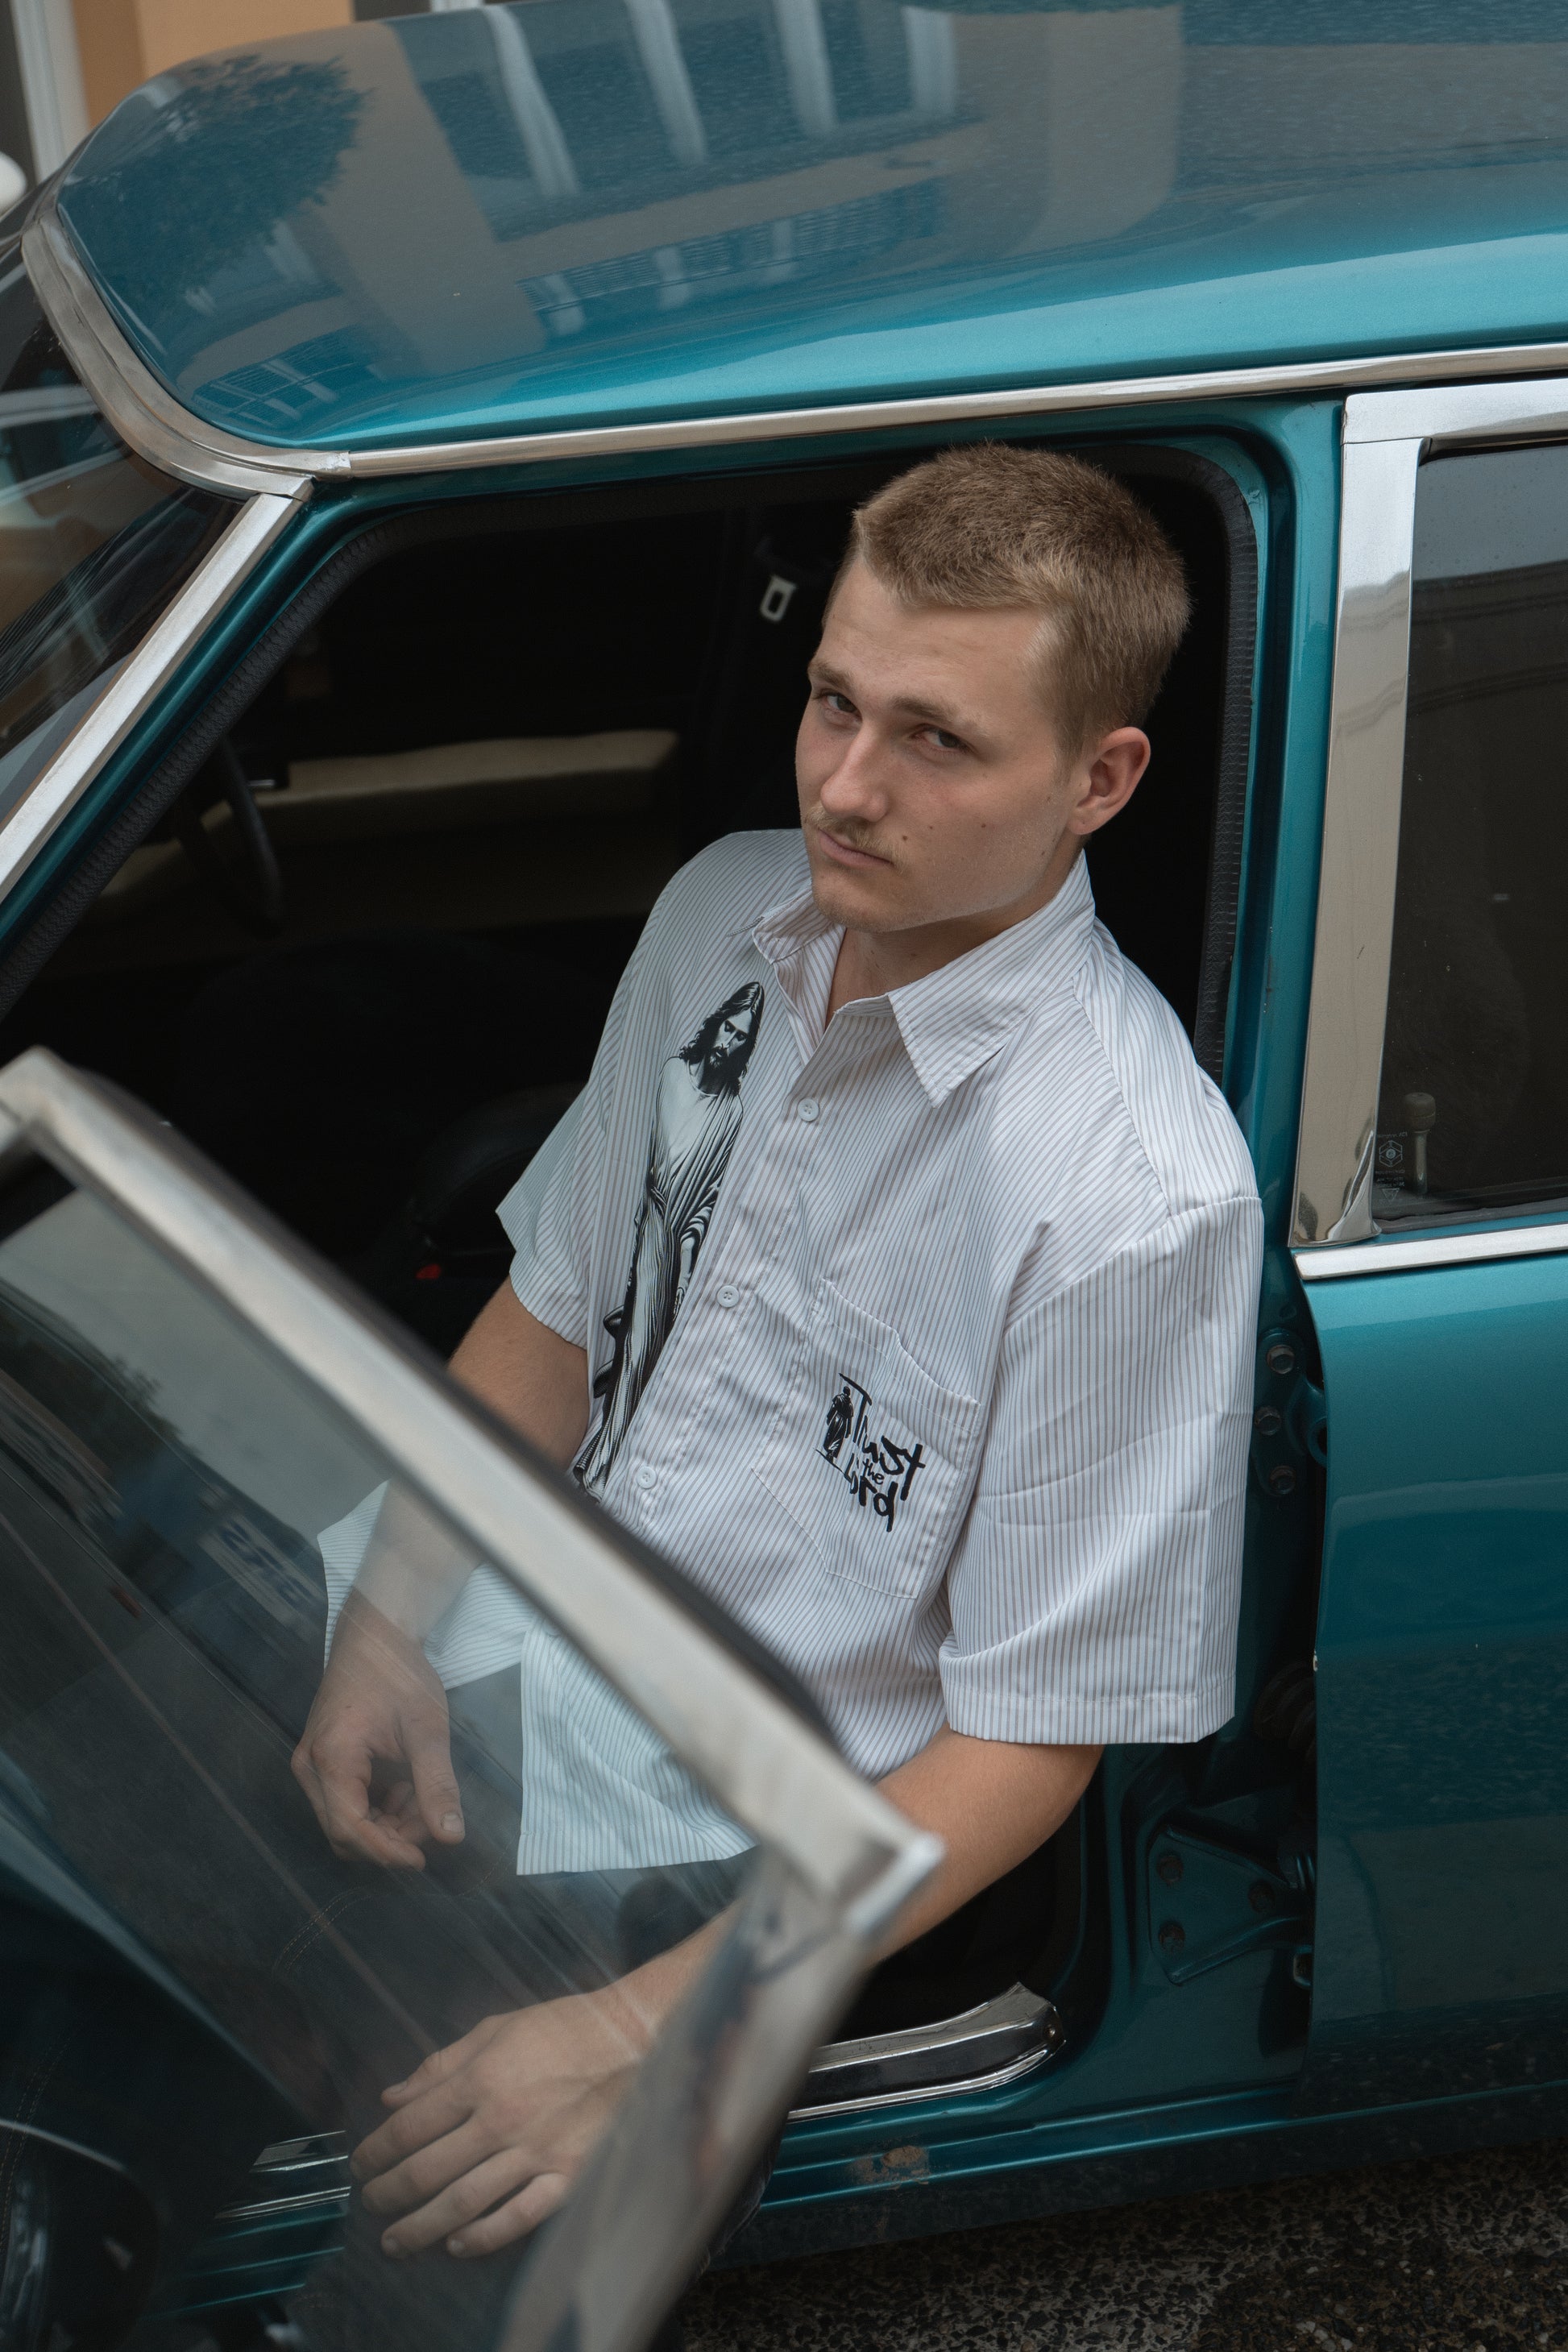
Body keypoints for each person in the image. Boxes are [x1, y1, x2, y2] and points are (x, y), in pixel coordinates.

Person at [292, 442, 1263, 2270]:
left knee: (419, 2238)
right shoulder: (720, 909)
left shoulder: (1129, 1196)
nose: (844, 783)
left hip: (735, 1842)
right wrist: (386, 1619)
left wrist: (629, 2028)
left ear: (1098, 777)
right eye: (832, 699)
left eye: (936, 739)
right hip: (525, 1638)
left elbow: (1018, 1753)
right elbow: (553, 1314)